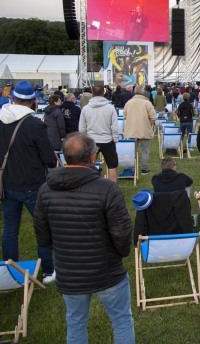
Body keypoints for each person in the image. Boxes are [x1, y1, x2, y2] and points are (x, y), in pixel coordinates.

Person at [33, 133, 134, 344]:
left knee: (76, 322)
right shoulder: (105, 188)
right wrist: (121, 254)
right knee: (120, 319)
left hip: (73, 270)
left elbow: (43, 235)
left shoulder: (46, 191)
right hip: (103, 270)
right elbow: (122, 233)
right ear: (91, 158)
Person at [1, 81, 57, 284]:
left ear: (12, 98)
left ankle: (10, 268)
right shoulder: (34, 124)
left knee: (10, 228)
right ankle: (48, 270)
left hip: (6, 182)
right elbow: (49, 158)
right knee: (42, 227)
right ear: (33, 101)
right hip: (32, 183)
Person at [79, 85, 120, 182]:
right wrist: (115, 139)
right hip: (107, 140)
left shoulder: (86, 108)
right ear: (103, 93)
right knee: (112, 166)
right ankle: (112, 187)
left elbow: (82, 127)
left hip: (92, 139)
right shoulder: (110, 108)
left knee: (88, 165)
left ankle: (88, 184)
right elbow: (114, 126)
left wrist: (84, 139)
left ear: (92, 94)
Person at [123, 85, 156, 175]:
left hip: (131, 130)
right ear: (142, 92)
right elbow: (153, 117)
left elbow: (124, 116)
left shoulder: (129, 103)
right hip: (144, 129)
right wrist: (149, 124)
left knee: (131, 150)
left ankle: (130, 168)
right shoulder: (147, 103)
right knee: (145, 150)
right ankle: (144, 169)